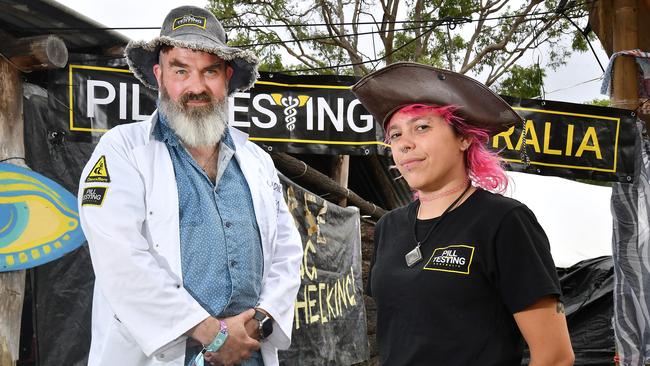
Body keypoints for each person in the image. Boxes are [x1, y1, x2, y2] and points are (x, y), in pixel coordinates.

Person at [78, 6, 303, 366]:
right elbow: (119, 257)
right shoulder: (122, 150)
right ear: (159, 75)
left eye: (209, 71)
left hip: (249, 353)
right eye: (180, 70)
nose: (195, 86)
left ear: (227, 77)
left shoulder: (257, 161)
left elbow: (287, 253)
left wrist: (260, 321)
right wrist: (212, 334)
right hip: (160, 355)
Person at [352, 62, 575, 366]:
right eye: (395, 135)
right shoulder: (388, 227)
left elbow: (555, 356)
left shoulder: (504, 221)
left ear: (464, 138)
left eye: (422, 127)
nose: (404, 143)